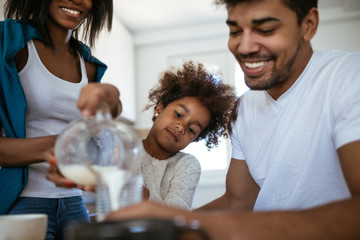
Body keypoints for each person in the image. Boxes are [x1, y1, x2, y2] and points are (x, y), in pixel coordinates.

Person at [105, 0, 360, 239]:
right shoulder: (244, 108)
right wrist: (172, 225)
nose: (245, 47)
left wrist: (200, 225)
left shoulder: (347, 77)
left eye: (266, 29)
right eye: (236, 31)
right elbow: (238, 202)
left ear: (308, 25)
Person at [0, 0, 121, 239]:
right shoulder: (10, 44)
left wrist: (112, 95)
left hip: (74, 203)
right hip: (22, 203)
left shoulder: (87, 63)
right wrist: (67, 144)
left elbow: (108, 112)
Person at [46, 60, 237, 211]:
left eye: (192, 130)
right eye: (178, 115)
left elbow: (176, 213)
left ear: (195, 139)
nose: (180, 127)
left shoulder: (187, 165)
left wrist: (125, 183)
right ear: (159, 108)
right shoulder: (124, 147)